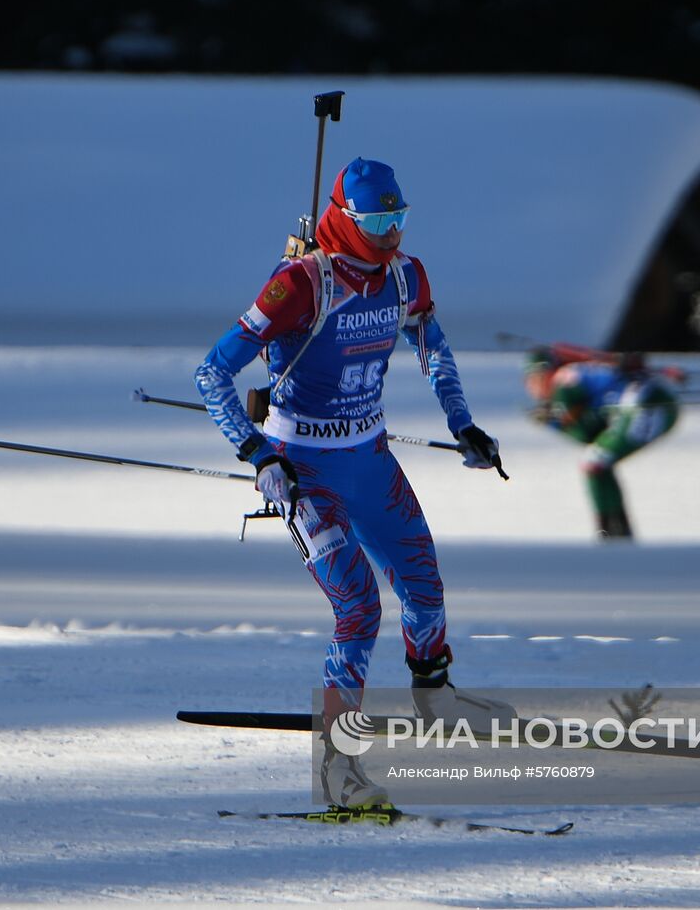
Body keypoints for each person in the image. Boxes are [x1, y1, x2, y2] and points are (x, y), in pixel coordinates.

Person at [194, 158, 513, 808]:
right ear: (345, 219)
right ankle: (339, 768)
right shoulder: (301, 285)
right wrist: (258, 454)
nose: (392, 234)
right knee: (359, 607)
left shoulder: (405, 276)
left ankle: (435, 696)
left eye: (400, 218)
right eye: (378, 221)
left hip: (368, 460)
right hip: (303, 473)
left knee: (425, 589)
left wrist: (464, 423)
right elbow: (211, 373)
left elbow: (433, 344)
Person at [522, 342, 683, 540]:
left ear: (545, 373)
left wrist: (557, 423)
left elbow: (586, 435)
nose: (531, 388)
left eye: (533, 379)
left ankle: (611, 534)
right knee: (597, 464)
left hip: (644, 407)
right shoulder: (577, 372)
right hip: (656, 402)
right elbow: (594, 436)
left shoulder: (564, 381)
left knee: (595, 464)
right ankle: (617, 532)